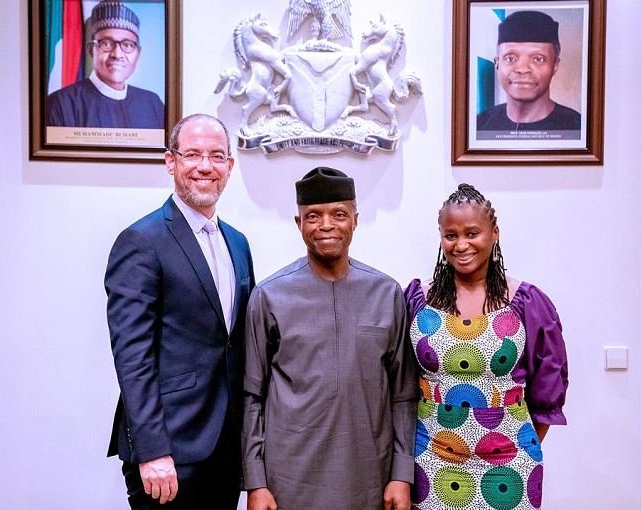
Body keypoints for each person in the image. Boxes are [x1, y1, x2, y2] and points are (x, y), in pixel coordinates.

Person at [242, 167, 417, 510]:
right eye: (313, 216)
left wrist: (401, 473)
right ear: (298, 223)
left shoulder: (386, 293)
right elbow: (252, 396)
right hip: (289, 480)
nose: (325, 225)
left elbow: (404, 395)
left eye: (338, 214)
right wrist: (255, 482)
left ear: (355, 220)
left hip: (370, 475)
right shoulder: (270, 296)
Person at [105, 113, 254, 509]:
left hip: (224, 448)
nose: (205, 166)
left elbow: (235, 345)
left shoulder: (237, 243)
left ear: (229, 166)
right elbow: (132, 356)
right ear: (171, 161)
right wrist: (152, 450)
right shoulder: (141, 241)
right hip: (168, 451)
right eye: (192, 155)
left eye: (216, 156)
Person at [405, 184, 569, 509]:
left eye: (472, 233)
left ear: (494, 234)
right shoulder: (416, 300)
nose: (461, 244)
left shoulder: (526, 301)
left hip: (509, 463)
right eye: (450, 235)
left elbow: (548, 389)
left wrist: (518, 443)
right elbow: (398, 381)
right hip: (433, 459)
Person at [47, 0, 164, 128]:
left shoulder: (153, 104)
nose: (117, 54)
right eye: (107, 43)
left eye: (128, 45)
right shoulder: (61, 103)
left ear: (138, 53)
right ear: (92, 49)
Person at [476, 10, 581, 132]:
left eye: (538, 59)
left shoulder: (578, 128)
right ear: (497, 63)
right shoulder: (479, 126)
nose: (522, 69)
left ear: (555, 65)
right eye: (510, 58)